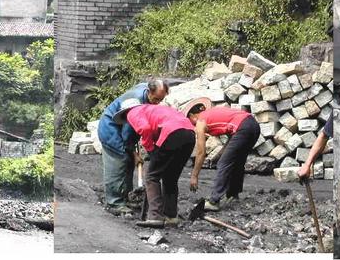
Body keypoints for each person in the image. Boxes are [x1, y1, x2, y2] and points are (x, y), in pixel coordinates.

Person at [113, 99, 195, 228]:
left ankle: (155, 216)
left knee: (152, 177)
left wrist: (150, 148)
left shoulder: (133, 112)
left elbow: (144, 128)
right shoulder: (154, 110)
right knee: (170, 177)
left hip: (171, 134)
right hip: (190, 134)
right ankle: (171, 216)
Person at [97, 79, 169, 215]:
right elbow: (128, 133)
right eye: (156, 99)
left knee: (129, 162)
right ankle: (115, 202)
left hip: (123, 129)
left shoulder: (145, 91)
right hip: (111, 129)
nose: (157, 103)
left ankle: (127, 196)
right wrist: (133, 152)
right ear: (149, 92)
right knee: (119, 161)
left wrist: (134, 154)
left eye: (161, 100)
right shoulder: (135, 104)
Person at [182, 98, 260, 211]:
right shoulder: (213, 113)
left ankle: (214, 201)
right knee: (237, 161)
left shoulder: (200, 121)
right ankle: (233, 194)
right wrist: (221, 153)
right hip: (253, 125)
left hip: (243, 128)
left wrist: (194, 176)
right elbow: (232, 136)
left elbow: (201, 152)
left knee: (223, 163)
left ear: (193, 115)